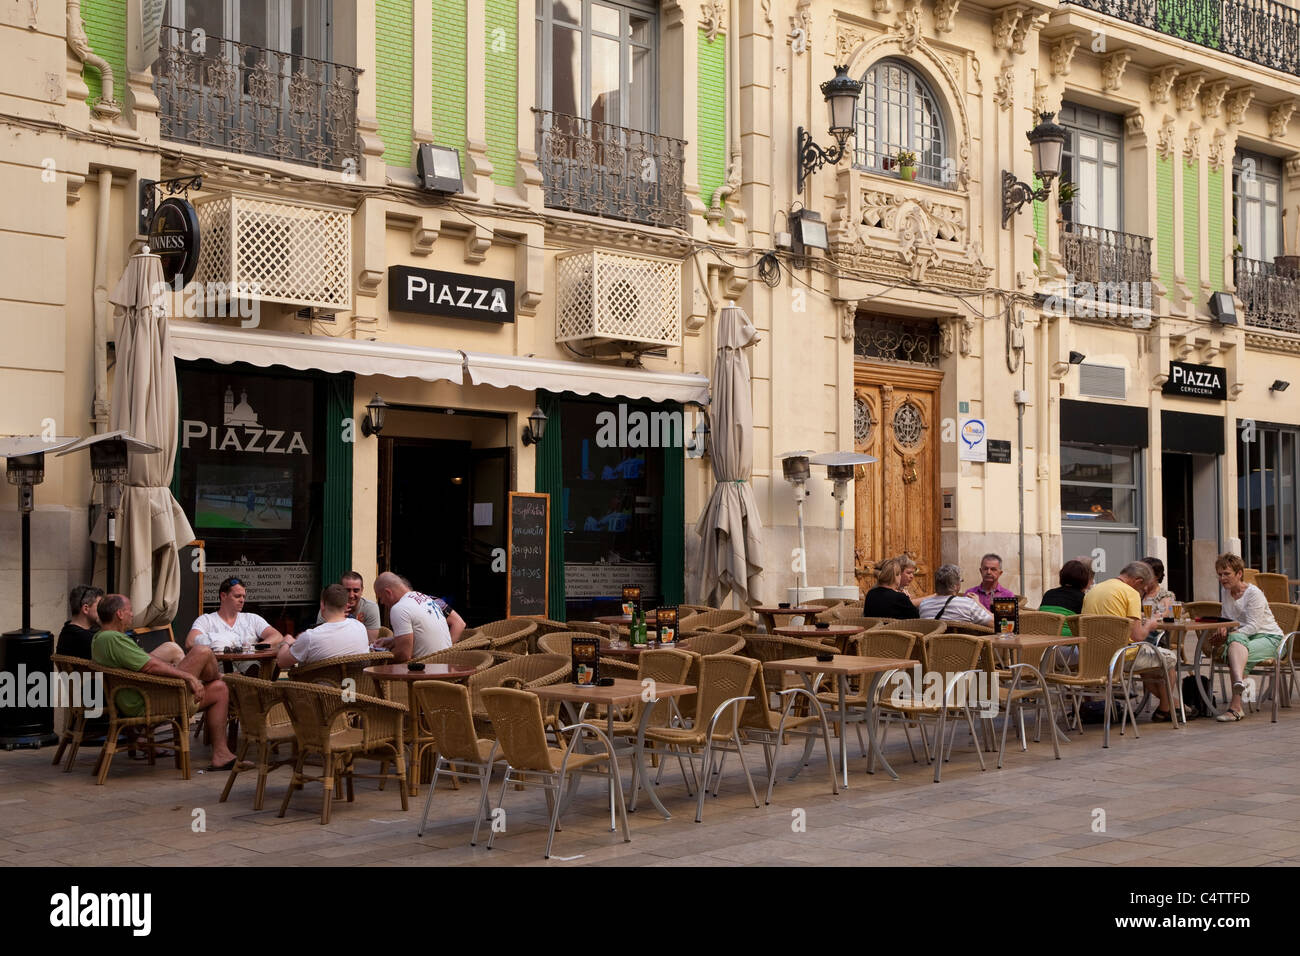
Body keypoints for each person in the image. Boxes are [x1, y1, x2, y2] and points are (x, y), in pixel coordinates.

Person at [91, 594, 239, 770]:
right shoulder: (112, 639)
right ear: (120, 614)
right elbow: (150, 666)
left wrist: (175, 667)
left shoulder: (101, 638)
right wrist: (189, 676)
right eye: (130, 610)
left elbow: (145, 660)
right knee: (203, 652)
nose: (132, 614)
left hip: (141, 695)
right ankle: (218, 677)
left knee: (220, 688)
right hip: (148, 701)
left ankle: (221, 754)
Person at [1081, 562, 1181, 721]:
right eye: (1143, 589)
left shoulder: (1095, 590)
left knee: (1150, 660)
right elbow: (1138, 637)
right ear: (1138, 581)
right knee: (1169, 657)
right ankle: (1165, 708)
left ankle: (1171, 704)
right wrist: (1149, 625)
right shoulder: (1130, 593)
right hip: (1122, 657)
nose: (1142, 593)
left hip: (1093, 657)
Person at [1211, 553, 1286, 723]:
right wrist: (1222, 628)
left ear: (1239, 574)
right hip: (1245, 640)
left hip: (1271, 639)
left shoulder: (1254, 593)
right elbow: (1227, 619)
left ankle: (1237, 707)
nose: (1222, 578)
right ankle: (1241, 694)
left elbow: (1253, 626)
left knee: (1234, 650)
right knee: (1236, 646)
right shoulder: (1226, 592)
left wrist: (1231, 634)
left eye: (1227, 574)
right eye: (1220, 574)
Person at [373, 571, 467, 663]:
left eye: (380, 597)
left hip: (424, 672)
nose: (382, 603)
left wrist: (381, 656)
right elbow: (423, 634)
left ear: (388, 592)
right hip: (445, 666)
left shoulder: (399, 608)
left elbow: (404, 655)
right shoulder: (429, 599)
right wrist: (393, 640)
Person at [279, 584, 370, 668]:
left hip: (317, 685)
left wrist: (286, 642)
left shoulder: (310, 637)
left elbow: (281, 662)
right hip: (355, 684)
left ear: (322, 605)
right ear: (347, 606)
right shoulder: (360, 627)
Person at [186, 577, 284, 652]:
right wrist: (220, 641)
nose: (242, 600)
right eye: (237, 596)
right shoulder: (206, 620)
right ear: (223, 596)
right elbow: (190, 642)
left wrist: (254, 647)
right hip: (218, 672)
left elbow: (278, 637)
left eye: (243, 596)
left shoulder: (252, 618)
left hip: (249, 673)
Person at [315, 571, 381, 642]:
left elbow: (370, 640)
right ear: (340, 590)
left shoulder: (370, 608)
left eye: (356, 590)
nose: (351, 595)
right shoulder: (329, 607)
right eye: (347, 590)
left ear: (362, 591)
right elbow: (320, 636)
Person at [918, 565, 993, 626]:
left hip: (932, 644)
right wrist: (978, 603)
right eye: (960, 581)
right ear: (955, 586)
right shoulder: (967, 604)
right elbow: (995, 624)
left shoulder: (924, 605)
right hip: (964, 644)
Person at [57, 585, 104, 660]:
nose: (102, 610)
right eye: (99, 606)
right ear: (86, 608)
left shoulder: (67, 630)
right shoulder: (87, 638)